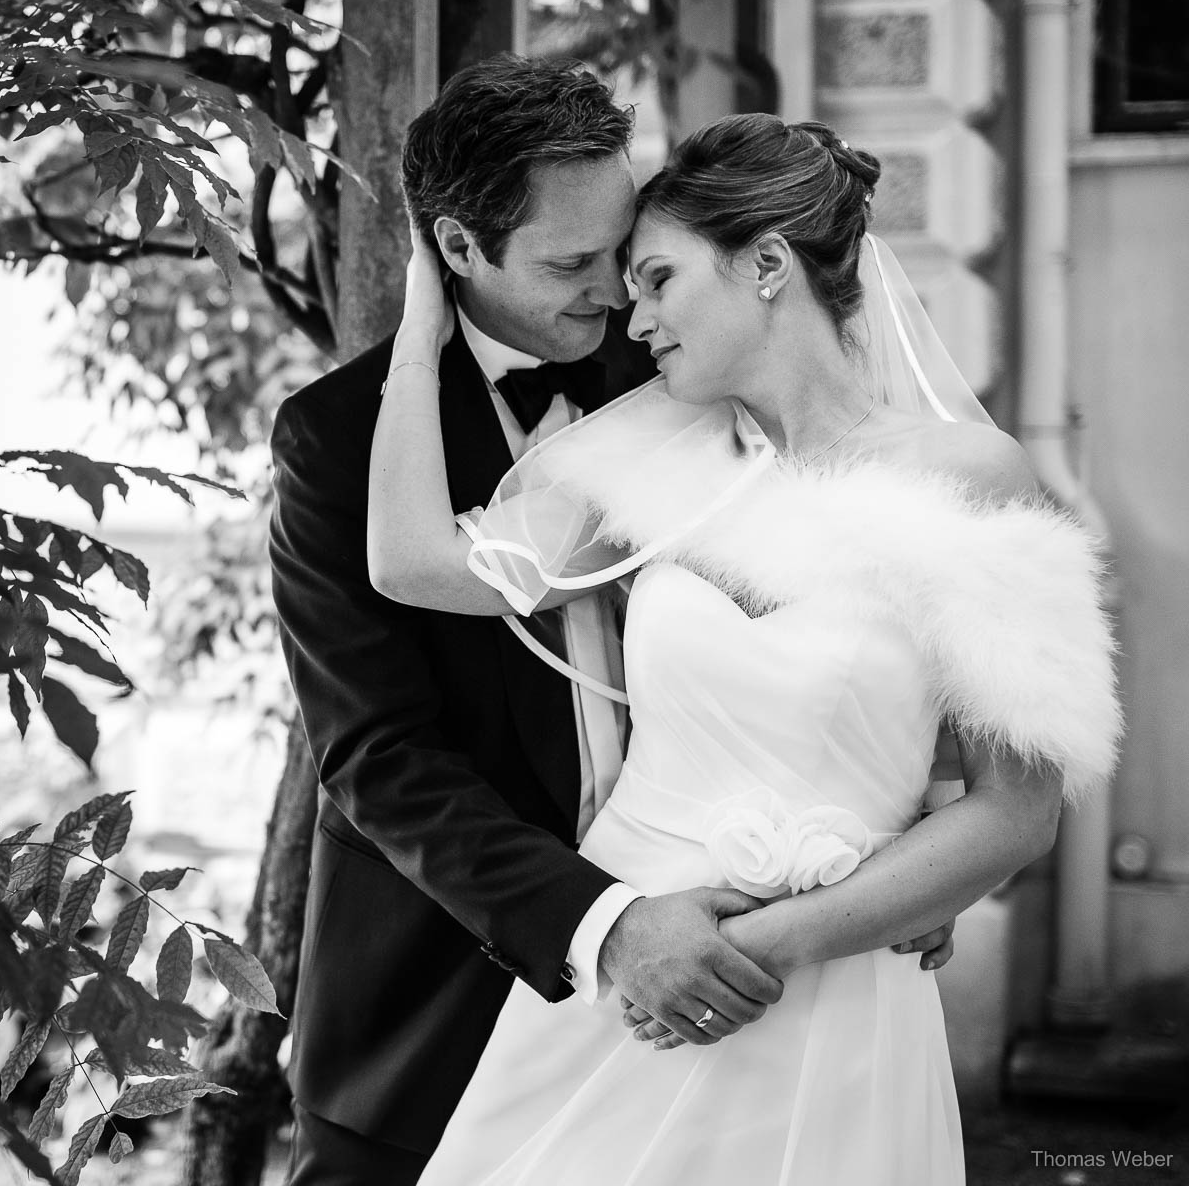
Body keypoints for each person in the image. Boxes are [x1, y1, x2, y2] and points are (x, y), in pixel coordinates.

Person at [368, 110, 1121, 1185]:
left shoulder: (971, 480)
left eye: (659, 281)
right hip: (626, 973)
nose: (634, 322)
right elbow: (410, 565)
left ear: (767, 264)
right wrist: (416, 331)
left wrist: (769, 946)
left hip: (829, 986)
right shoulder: (644, 456)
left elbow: (1018, 806)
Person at [269, 57, 953, 1184]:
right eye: (572, 265)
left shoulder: (689, 371)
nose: (615, 300)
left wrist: (912, 845)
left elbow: (858, 610)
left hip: (717, 997)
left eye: (627, 255)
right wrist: (610, 924)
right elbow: (380, 757)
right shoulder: (338, 446)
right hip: (438, 999)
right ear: (455, 251)